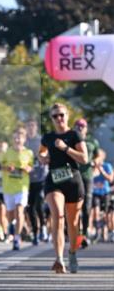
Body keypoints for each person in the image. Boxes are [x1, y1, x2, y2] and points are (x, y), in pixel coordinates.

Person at [39, 102, 88, 273]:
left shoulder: (74, 135)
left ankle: (72, 252)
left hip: (73, 181)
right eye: (55, 116)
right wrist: (43, 157)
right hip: (54, 181)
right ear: (51, 119)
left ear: (67, 116)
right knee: (58, 216)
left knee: (72, 223)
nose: (59, 118)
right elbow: (41, 152)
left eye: (61, 115)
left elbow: (84, 158)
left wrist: (66, 148)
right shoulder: (48, 137)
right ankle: (59, 258)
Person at [0, 127, 34, 251]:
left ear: (24, 139)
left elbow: (31, 167)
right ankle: (11, 227)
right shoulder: (7, 152)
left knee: (20, 211)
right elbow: (0, 165)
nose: (17, 140)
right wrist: (7, 168)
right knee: (10, 214)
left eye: (20, 138)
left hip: (22, 186)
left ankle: (17, 237)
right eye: (15, 138)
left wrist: (26, 169)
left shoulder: (28, 153)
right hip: (8, 187)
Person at [73, 118, 99, 248]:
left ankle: (85, 233)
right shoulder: (71, 140)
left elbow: (98, 155)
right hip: (74, 176)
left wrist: (96, 162)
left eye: (82, 126)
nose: (80, 127)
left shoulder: (92, 141)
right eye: (77, 126)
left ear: (86, 128)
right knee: (75, 206)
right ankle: (76, 234)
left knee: (87, 207)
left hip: (88, 176)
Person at [25, 119, 48, 245]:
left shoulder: (41, 141)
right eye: (28, 126)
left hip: (41, 177)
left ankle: (43, 227)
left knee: (39, 203)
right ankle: (35, 232)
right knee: (30, 207)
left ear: (36, 127)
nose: (30, 128)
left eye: (32, 126)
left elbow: (46, 154)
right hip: (27, 180)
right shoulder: (24, 142)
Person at [90, 149, 113, 242]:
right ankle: (97, 232)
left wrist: (101, 170)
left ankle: (108, 231)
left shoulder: (107, 166)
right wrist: (94, 169)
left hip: (105, 192)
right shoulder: (92, 167)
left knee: (107, 214)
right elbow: (89, 178)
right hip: (95, 193)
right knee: (95, 212)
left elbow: (110, 179)